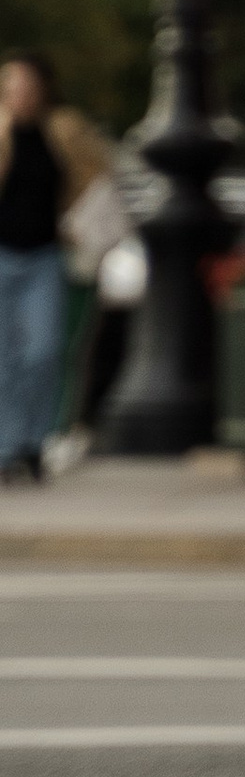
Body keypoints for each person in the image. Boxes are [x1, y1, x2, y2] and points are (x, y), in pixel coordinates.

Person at [0, 54, 115, 483]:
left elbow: (99, 173)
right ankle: (7, 448)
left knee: (44, 352)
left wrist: (80, 220)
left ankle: (35, 440)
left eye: (27, 86)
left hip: (46, 255)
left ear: (43, 90)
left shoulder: (63, 131)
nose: (20, 95)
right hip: (2, 255)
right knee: (4, 358)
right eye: (12, 86)